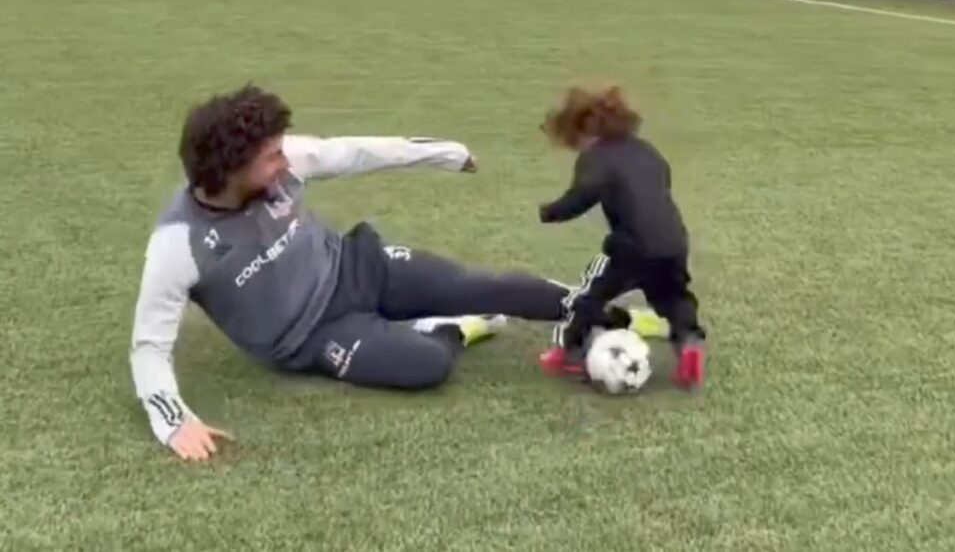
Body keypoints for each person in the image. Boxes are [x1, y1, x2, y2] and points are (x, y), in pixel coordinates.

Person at [131, 83, 610, 461]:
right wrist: (174, 421)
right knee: (428, 365)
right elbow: (149, 344)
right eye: (272, 157)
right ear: (231, 169)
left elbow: (358, 152)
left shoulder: (282, 163)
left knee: (482, 287)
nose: (285, 160)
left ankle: (595, 308)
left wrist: (446, 153)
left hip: (358, 267)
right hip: (316, 335)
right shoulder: (178, 244)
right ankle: (448, 331)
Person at [535, 85, 707, 388]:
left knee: (589, 295)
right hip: (673, 242)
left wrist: (550, 212)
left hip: (631, 247)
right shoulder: (647, 150)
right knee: (673, 296)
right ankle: (689, 342)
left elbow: (582, 195)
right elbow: (662, 179)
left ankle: (568, 354)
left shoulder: (596, 158)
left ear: (583, 129)